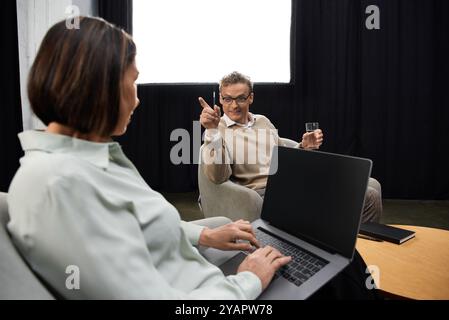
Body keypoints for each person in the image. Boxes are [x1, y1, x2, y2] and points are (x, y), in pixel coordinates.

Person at [7, 17, 292, 299]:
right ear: (98, 86)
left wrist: (203, 236)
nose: (137, 99)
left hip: (201, 271)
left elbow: (138, 222)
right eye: (133, 83)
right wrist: (248, 280)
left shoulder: (93, 159)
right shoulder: (58, 185)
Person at [199, 71, 382, 223]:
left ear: (251, 98)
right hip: (265, 196)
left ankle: (357, 256)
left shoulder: (262, 121)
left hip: (292, 184)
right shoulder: (217, 131)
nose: (234, 105)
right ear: (221, 100)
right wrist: (212, 131)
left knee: (369, 196)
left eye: (240, 98)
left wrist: (303, 147)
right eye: (228, 99)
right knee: (361, 198)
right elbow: (217, 177)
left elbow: (284, 158)